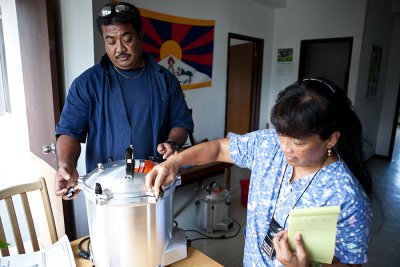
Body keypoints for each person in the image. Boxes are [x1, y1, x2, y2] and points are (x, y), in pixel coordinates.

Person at [146, 78, 372, 266]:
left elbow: (351, 264)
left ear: (331, 138)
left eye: (299, 142)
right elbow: (218, 149)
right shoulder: (268, 145)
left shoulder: (346, 196)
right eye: (282, 133)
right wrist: (174, 162)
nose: (285, 147)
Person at [55, 1, 194, 200]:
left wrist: (172, 142)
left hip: (154, 185)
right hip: (106, 193)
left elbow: (180, 122)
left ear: (140, 37)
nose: (119, 48)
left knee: (156, 231)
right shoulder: (87, 84)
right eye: (111, 41)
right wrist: (65, 165)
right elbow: (69, 131)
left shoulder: (165, 80)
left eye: (126, 39)